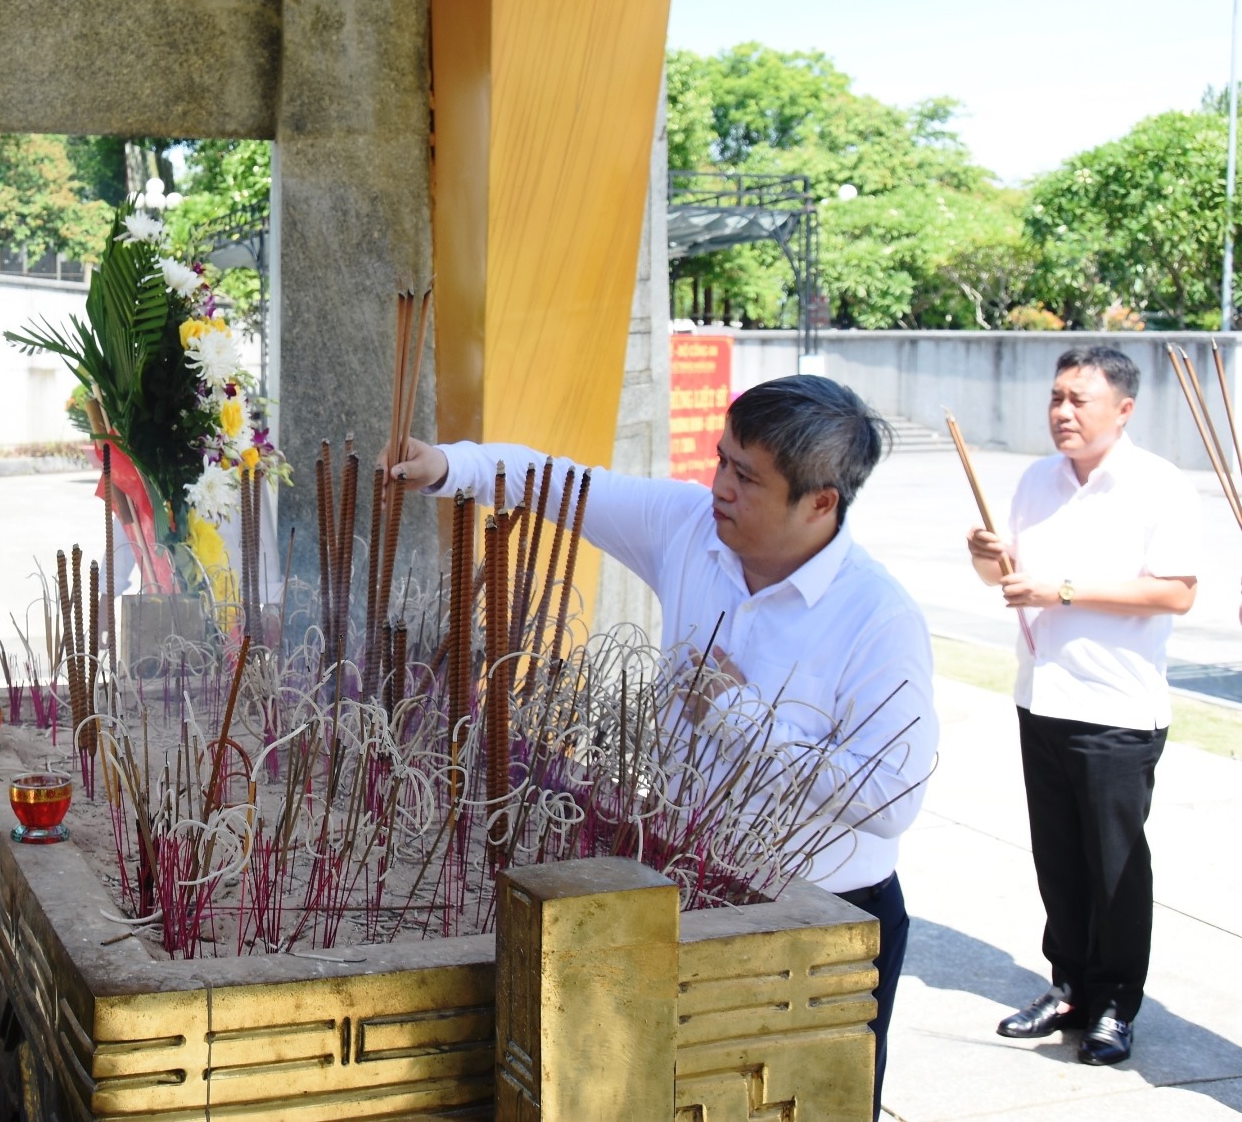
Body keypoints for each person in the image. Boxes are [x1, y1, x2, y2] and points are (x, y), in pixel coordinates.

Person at [391, 375, 938, 1119]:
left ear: (820, 502)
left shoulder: (879, 617)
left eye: (747, 478)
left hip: (822, 914)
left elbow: (890, 800)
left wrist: (737, 713)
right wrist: (451, 466)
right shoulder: (691, 529)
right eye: (721, 461)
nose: (719, 488)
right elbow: (566, 486)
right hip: (690, 881)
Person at [967, 346, 1197, 1067]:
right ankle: (1067, 987)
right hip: (1042, 696)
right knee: (1059, 861)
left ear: (1122, 409)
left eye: (1080, 400)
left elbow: (1176, 591)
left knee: (1116, 867)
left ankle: (1115, 1004)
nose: (1063, 413)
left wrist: (1060, 589)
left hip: (1117, 709)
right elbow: (1003, 577)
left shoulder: (1160, 486)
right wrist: (985, 553)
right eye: (1056, 398)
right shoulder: (1037, 480)